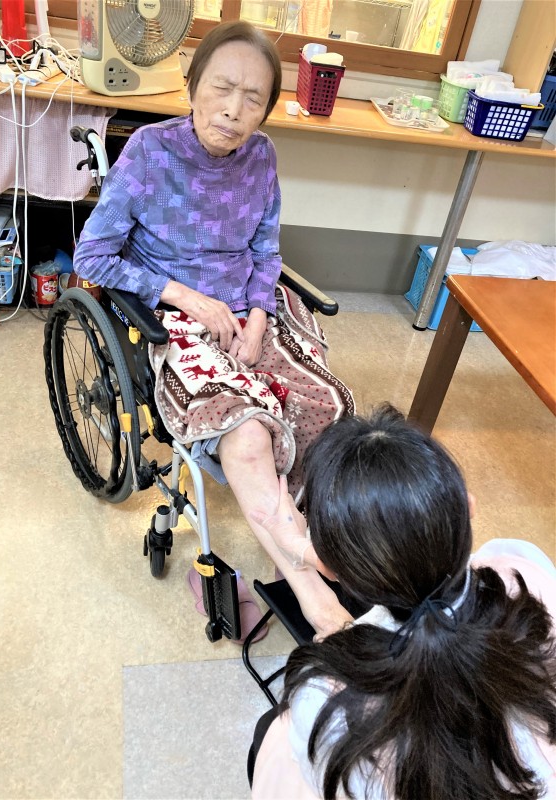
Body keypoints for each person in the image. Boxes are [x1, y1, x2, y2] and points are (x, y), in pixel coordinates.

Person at [72, 21, 354, 642]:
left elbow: (266, 249)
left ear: (266, 109)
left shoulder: (262, 156)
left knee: (326, 408)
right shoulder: (149, 151)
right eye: (222, 88)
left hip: (250, 310)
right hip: (172, 314)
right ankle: (315, 598)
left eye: (253, 98)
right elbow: (91, 256)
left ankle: (311, 548)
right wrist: (185, 297)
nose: (233, 110)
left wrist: (257, 317)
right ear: (192, 85)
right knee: (247, 434)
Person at [248, 404, 556, 799]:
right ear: (468, 507)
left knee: (267, 732)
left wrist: (297, 550)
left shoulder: (325, 704)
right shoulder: (523, 575)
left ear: (333, 572)